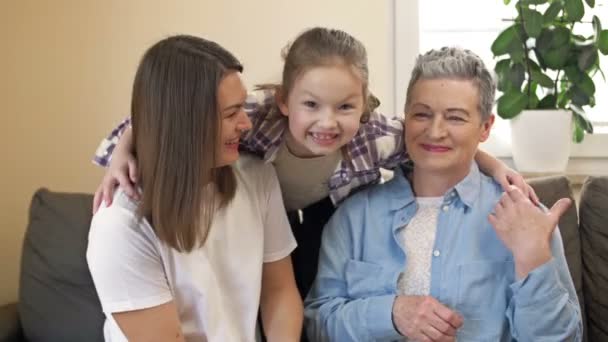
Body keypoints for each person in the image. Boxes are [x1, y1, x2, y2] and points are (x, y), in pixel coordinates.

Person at [91, 28, 536, 299]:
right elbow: (168, 117)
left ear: (364, 105)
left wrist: (495, 168)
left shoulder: (376, 138)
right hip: (260, 207)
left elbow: (440, 137)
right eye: (311, 105)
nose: (327, 123)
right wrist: (122, 154)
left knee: (314, 270)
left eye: (345, 106)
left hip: (321, 213)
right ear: (284, 102)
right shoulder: (255, 117)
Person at [304, 47, 582, 341]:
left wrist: (532, 257)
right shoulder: (354, 217)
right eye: (422, 114)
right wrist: (391, 314)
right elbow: (319, 325)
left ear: (485, 127)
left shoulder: (526, 218)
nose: (435, 132)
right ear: (405, 118)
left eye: (456, 118)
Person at [87, 35, 302, 342]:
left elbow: (279, 293)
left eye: (243, 108)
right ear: (185, 123)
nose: (246, 124)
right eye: (231, 114)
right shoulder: (119, 225)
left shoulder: (258, 179)